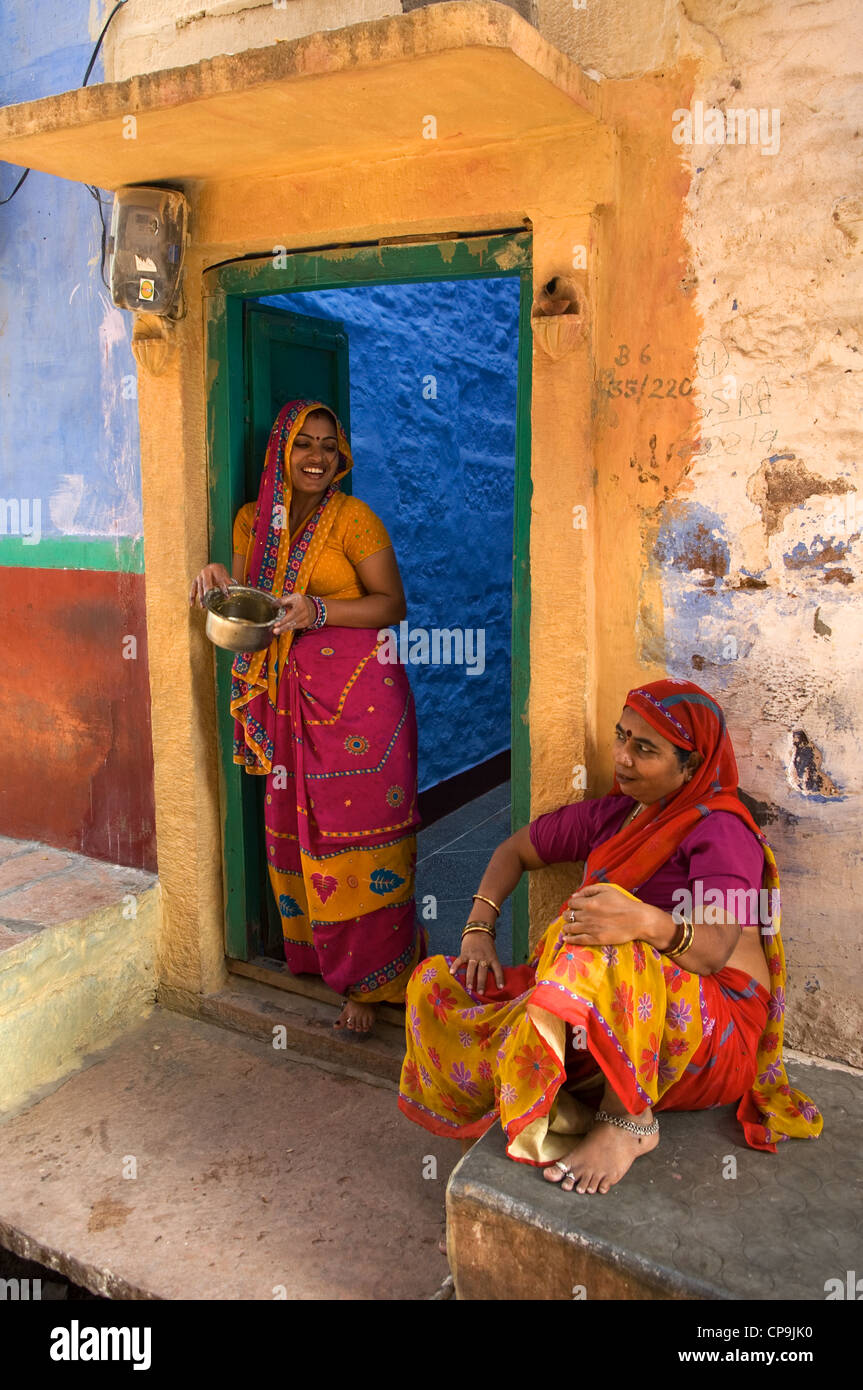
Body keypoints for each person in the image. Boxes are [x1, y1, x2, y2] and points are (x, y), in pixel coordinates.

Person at [398, 678, 821, 1193]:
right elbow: (514, 851)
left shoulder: (722, 831)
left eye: (644, 749)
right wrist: (478, 929)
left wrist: (641, 920)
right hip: (617, 1009)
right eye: (621, 737)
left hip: (708, 1035)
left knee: (606, 942)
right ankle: (560, 1089)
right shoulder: (617, 815)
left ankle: (629, 1122)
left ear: (691, 766)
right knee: (437, 988)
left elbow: (711, 952)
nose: (621, 757)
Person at [190, 398, 424, 1037]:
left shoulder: (356, 520)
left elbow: (391, 604)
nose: (317, 457)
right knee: (300, 832)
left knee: (364, 840)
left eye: (327, 445)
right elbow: (251, 602)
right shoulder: (252, 522)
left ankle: (374, 983)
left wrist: (318, 611)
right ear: (281, 453)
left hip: (362, 705)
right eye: (303, 444)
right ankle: (324, 961)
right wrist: (216, 574)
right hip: (293, 702)